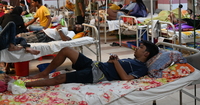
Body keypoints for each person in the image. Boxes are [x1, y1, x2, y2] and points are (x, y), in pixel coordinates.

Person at [23, 40, 159, 87]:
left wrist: (116, 62)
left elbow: (126, 78)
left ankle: (25, 84)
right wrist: (111, 61)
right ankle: (44, 73)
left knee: (60, 78)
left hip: (98, 74)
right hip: (96, 65)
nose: (137, 48)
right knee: (66, 50)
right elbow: (113, 67)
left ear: (146, 54)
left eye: (141, 48)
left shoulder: (141, 68)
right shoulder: (132, 60)